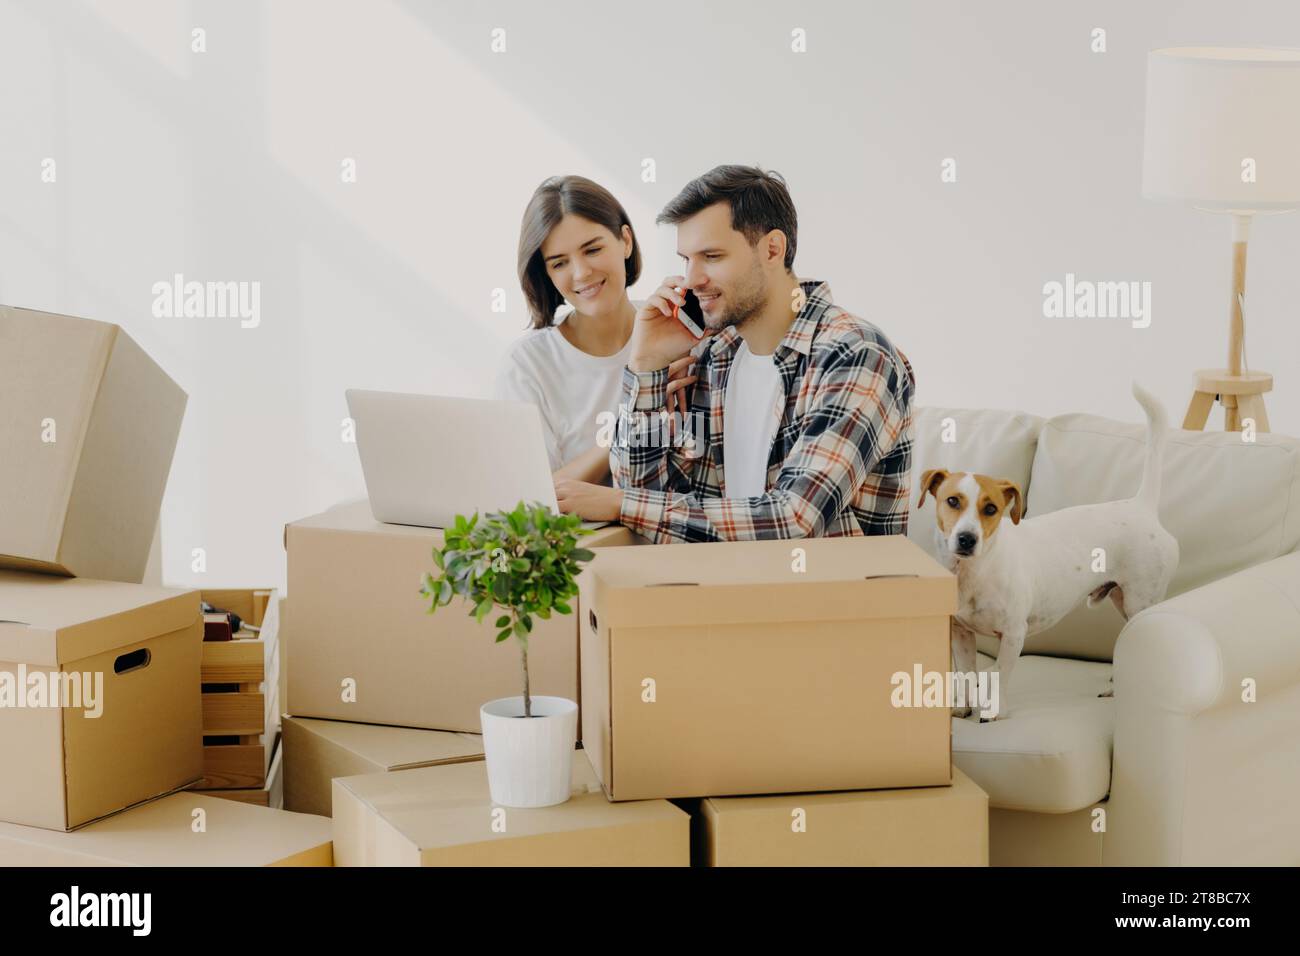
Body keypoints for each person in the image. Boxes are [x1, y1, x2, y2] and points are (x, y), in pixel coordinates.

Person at [554, 164, 916, 541]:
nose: (692, 279)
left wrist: (619, 503)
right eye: (686, 259)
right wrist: (645, 367)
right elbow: (648, 493)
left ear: (773, 249)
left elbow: (794, 520)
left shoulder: (855, 355)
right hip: (720, 591)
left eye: (711, 256)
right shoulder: (714, 355)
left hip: (831, 597)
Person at [494, 175, 645, 484]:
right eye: (559, 263)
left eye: (592, 250)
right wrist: (625, 431)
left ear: (625, 241)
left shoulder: (675, 329)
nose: (581, 273)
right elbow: (533, 496)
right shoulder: (527, 365)